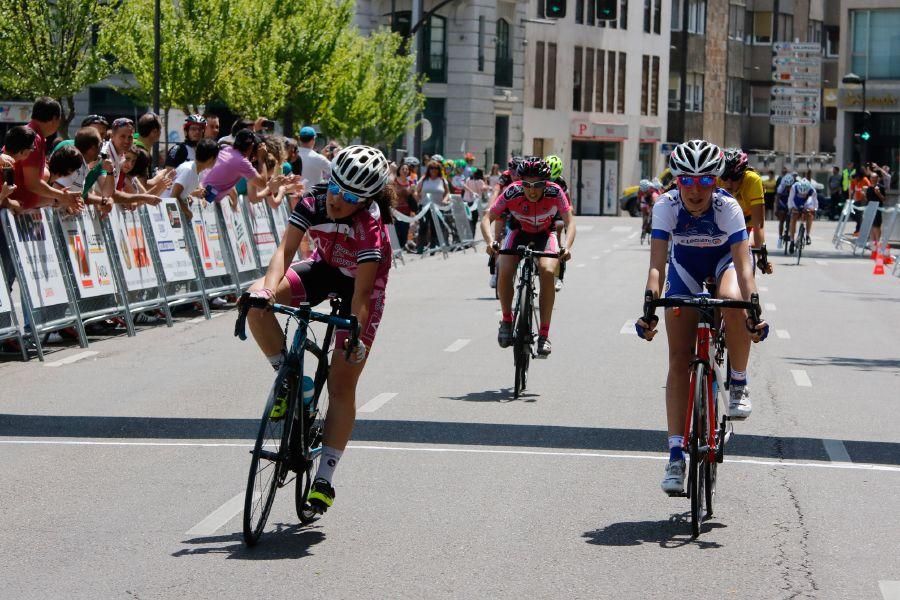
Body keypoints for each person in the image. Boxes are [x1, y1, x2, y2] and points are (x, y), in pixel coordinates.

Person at [245, 145, 394, 514]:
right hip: (323, 269)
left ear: (365, 200)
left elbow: (362, 292)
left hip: (361, 288)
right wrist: (266, 289)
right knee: (252, 304)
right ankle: (292, 378)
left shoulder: (369, 226)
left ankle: (324, 477)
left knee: (343, 383)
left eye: (349, 197)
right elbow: (284, 251)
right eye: (336, 189)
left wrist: (356, 334)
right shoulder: (313, 201)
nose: (338, 200)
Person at [634, 139, 769, 495]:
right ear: (676, 182)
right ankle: (676, 456)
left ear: (717, 182)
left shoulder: (728, 208)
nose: (696, 190)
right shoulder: (666, 206)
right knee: (679, 359)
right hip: (685, 269)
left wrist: (754, 309)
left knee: (731, 299)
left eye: (706, 181)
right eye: (687, 181)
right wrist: (649, 307)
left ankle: (738, 383)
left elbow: (744, 267)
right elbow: (656, 267)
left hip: (725, 264)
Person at [481, 157, 576, 357]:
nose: (532, 190)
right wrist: (490, 242)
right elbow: (487, 217)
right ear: (520, 182)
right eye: (527, 185)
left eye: (538, 185)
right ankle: (507, 320)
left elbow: (570, 222)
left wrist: (566, 247)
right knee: (504, 268)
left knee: (548, 271)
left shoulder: (555, 192)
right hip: (519, 231)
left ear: (547, 183)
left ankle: (544, 335)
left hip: (544, 234)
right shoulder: (513, 191)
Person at [7, 99, 82, 213]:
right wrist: (61, 195)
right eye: (59, 120)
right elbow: (33, 184)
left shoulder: (36, 137)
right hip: (9, 211)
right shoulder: (33, 138)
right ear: (54, 119)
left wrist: (59, 198)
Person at [201, 129, 271, 203]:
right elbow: (262, 184)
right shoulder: (242, 162)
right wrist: (261, 159)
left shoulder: (226, 149)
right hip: (207, 200)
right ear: (251, 146)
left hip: (201, 193)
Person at [718, 148, 766, 250]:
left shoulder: (753, 180)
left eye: (735, 178)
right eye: (725, 177)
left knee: (749, 246)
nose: (729, 183)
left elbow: (758, 223)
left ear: (743, 174)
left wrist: (760, 254)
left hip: (747, 222)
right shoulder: (716, 179)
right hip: (724, 222)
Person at [161, 138, 220, 220]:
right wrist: (187, 211)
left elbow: (180, 191)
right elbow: (174, 195)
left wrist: (190, 195)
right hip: (164, 211)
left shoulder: (198, 171)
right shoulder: (188, 170)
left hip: (169, 209)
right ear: (211, 159)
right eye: (216, 157)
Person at [415, 159, 450, 254]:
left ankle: (433, 248)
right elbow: (417, 191)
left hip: (438, 208)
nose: (433, 170)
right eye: (431, 168)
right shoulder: (424, 179)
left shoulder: (442, 180)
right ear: (428, 169)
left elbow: (447, 192)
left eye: (436, 168)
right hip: (424, 207)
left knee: (435, 227)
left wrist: (445, 199)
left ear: (439, 170)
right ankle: (420, 248)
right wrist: (417, 198)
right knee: (423, 226)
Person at [786, 178, 818, 252]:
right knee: (793, 217)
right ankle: (791, 241)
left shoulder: (812, 190)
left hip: (807, 203)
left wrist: (814, 209)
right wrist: (791, 208)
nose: (803, 195)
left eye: (804, 194)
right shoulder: (794, 187)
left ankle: (807, 235)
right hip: (796, 202)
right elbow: (790, 200)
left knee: (810, 215)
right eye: (801, 194)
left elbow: (815, 202)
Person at [392, 162, 417, 250]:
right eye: (403, 169)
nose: (405, 170)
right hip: (395, 211)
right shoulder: (394, 181)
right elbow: (392, 193)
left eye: (407, 169)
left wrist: (413, 192)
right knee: (396, 231)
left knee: (404, 232)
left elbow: (416, 198)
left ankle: (401, 249)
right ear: (399, 170)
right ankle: (396, 250)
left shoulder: (411, 182)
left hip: (406, 211)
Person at [775, 172, 796, 247]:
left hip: (791, 203)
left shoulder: (794, 187)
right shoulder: (781, 187)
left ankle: (790, 233)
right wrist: (776, 209)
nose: (788, 188)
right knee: (781, 219)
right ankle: (780, 237)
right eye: (787, 186)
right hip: (782, 202)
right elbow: (777, 198)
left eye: (790, 186)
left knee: (792, 219)